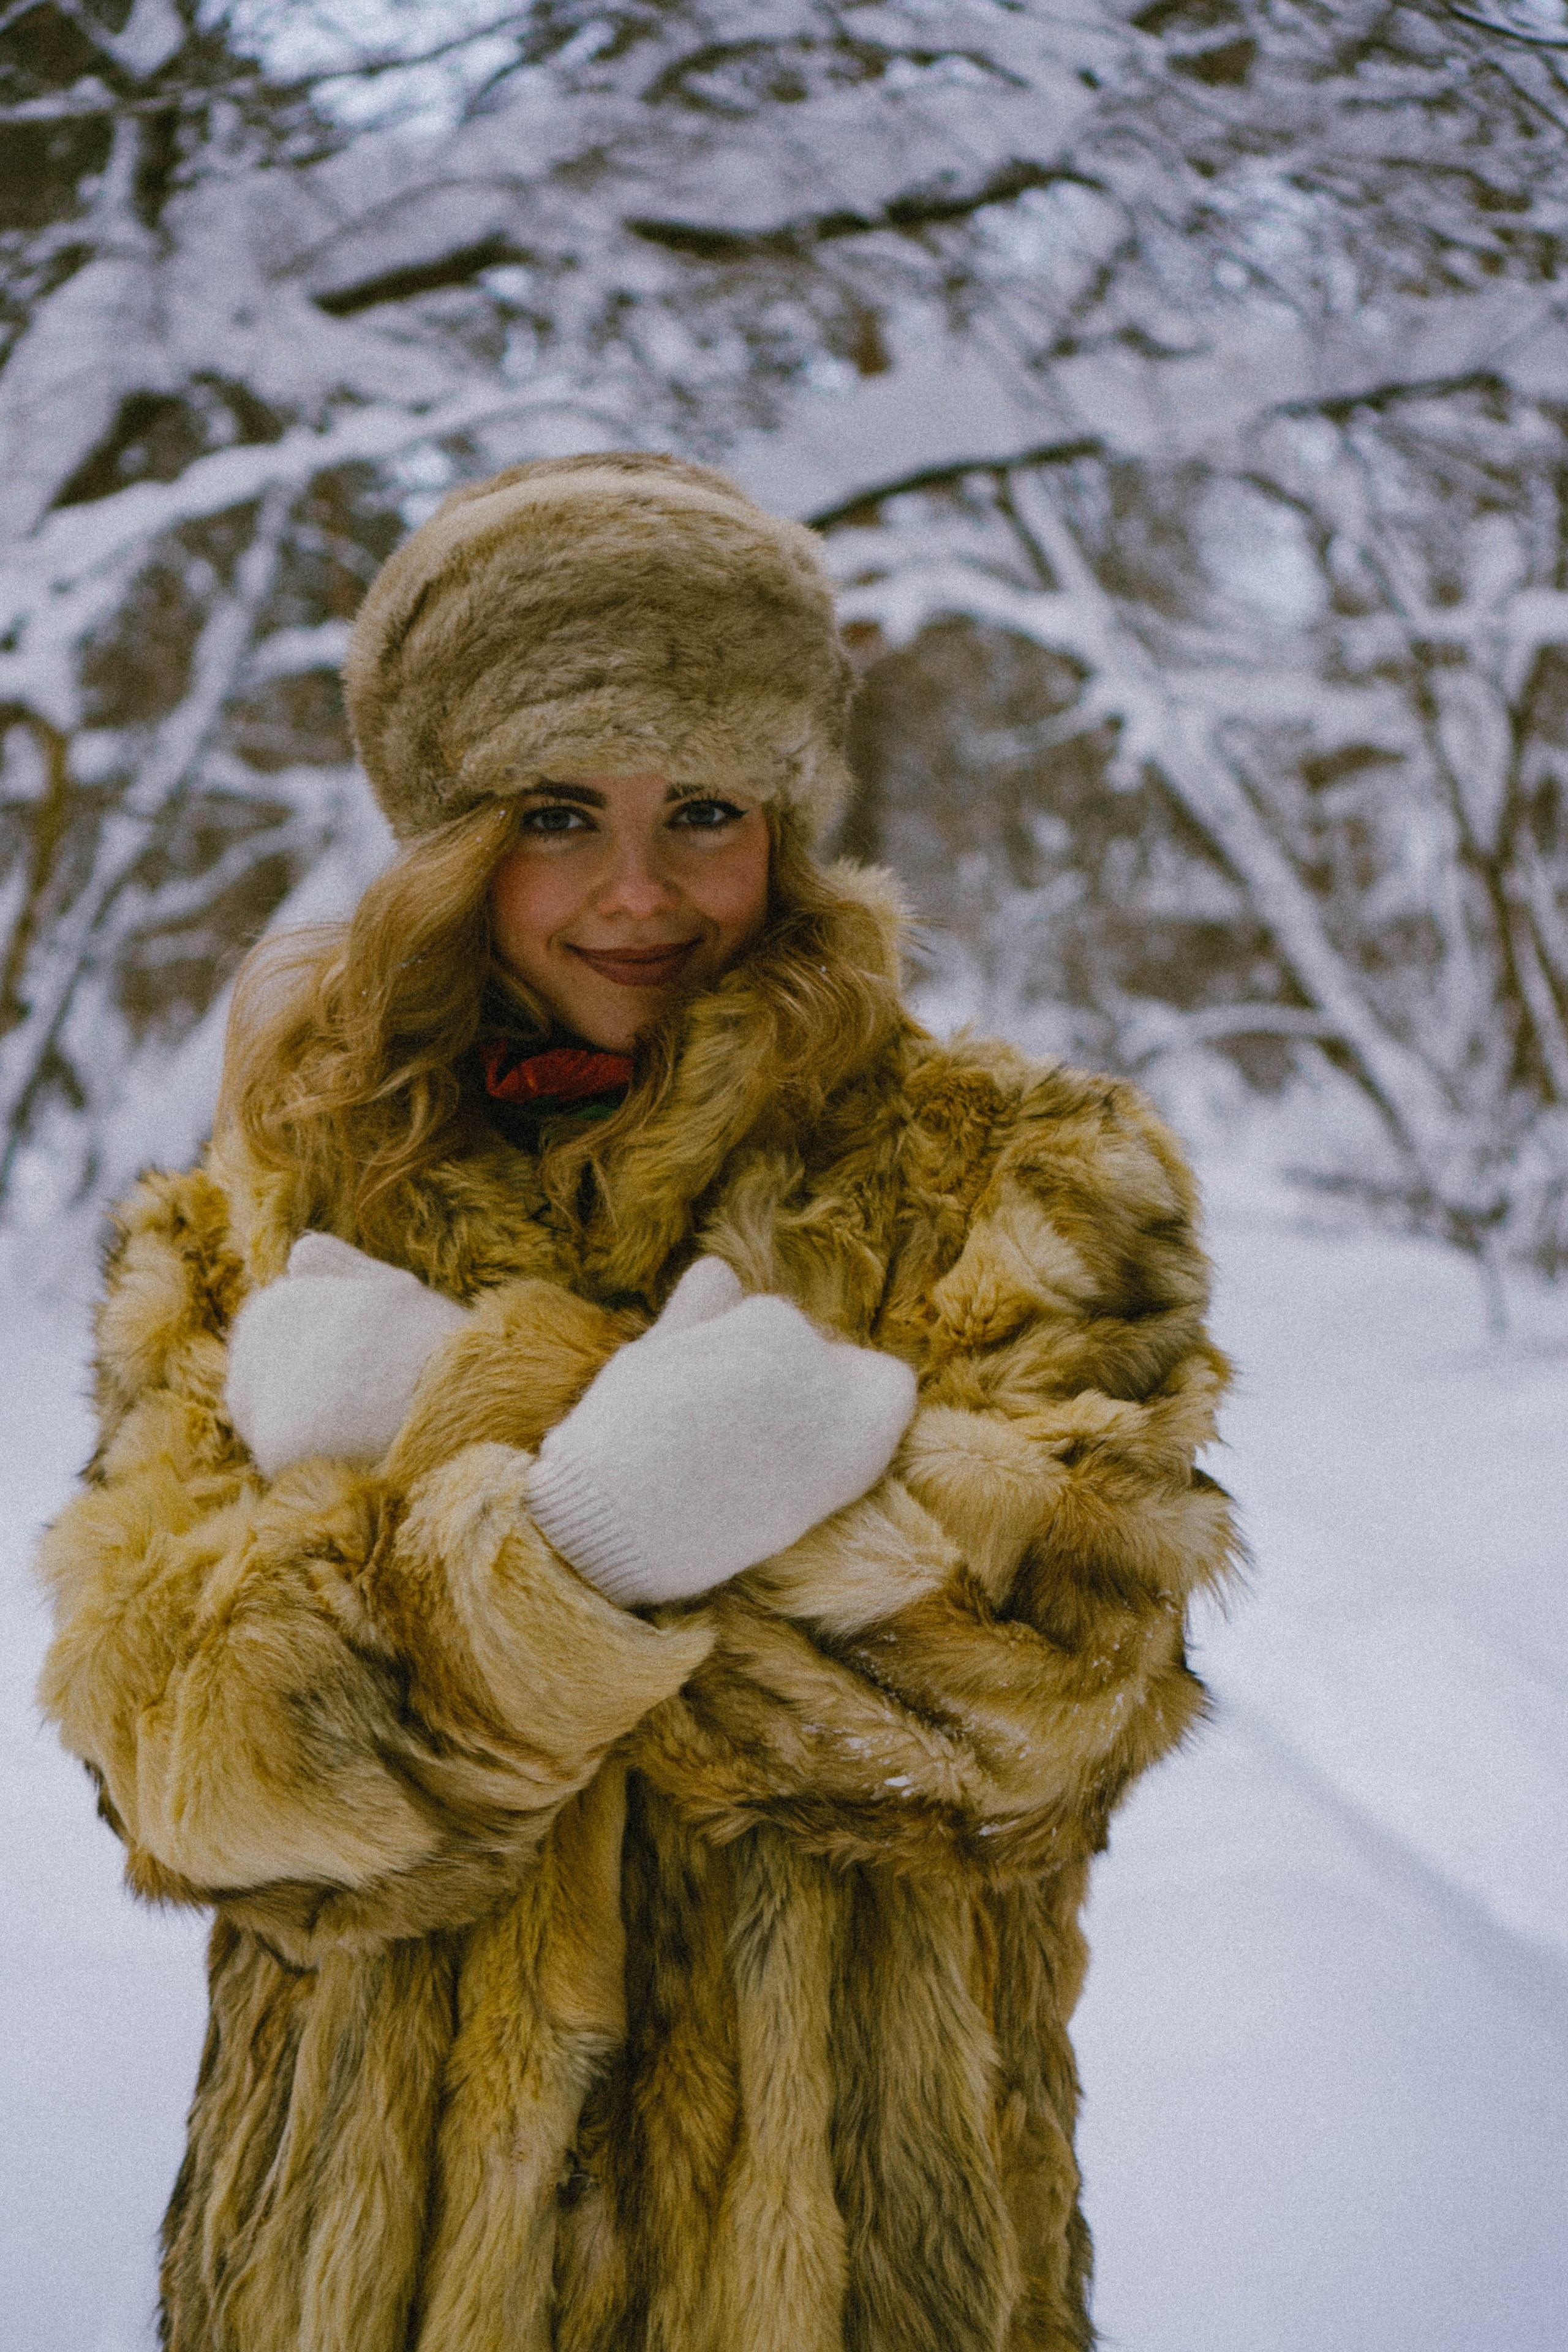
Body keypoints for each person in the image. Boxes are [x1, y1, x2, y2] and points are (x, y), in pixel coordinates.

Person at [35, 453, 1238, 2352]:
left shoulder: (1013, 1175)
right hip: (358, 2289)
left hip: (848, 2281)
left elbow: (1050, 1692)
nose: (636, 893)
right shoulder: (267, 1214)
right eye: (553, 812)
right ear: (446, 830)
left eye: (701, 810)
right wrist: (603, 1534)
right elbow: (179, 1769)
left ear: (787, 817)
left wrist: (446, 1470)